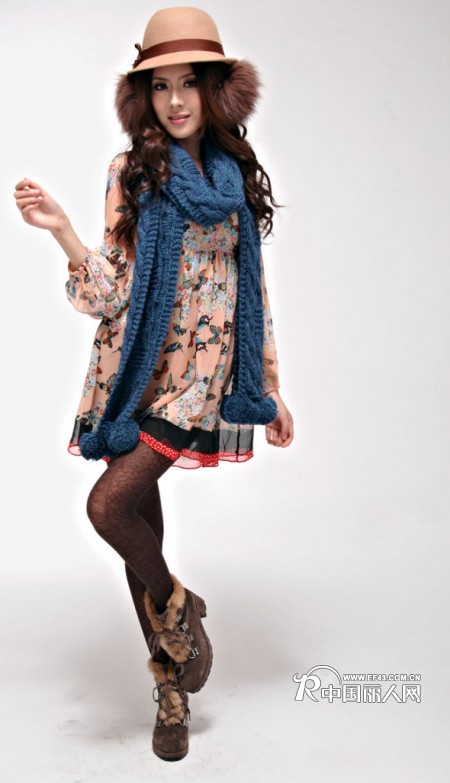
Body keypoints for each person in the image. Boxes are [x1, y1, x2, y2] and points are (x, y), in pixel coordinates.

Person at [14, 6, 294, 763]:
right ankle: (173, 677)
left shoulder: (234, 183)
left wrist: (270, 386)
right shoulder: (131, 172)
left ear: (216, 91)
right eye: (160, 85)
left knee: (108, 507)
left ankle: (176, 605)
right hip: (132, 378)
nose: (174, 100)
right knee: (141, 534)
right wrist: (63, 231)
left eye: (188, 84)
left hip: (197, 386)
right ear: (144, 95)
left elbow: (251, 295)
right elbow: (109, 293)